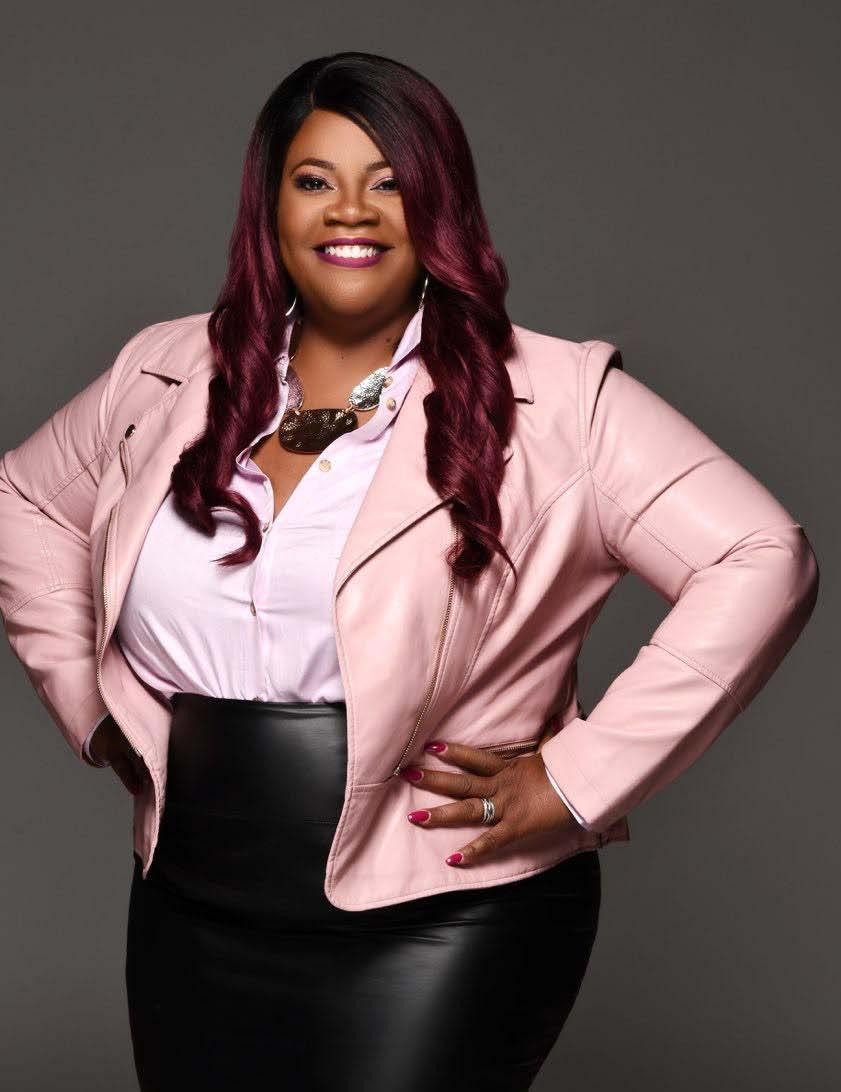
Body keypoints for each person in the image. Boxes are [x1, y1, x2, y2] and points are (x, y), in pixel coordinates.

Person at [0, 51, 819, 1092]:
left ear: (439, 205)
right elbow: (21, 499)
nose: (351, 210)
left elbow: (761, 555)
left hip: (449, 912)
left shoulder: (556, 401)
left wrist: (575, 780)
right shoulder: (164, 372)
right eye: (315, 179)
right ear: (270, 206)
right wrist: (91, 708)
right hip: (190, 897)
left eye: (389, 181)